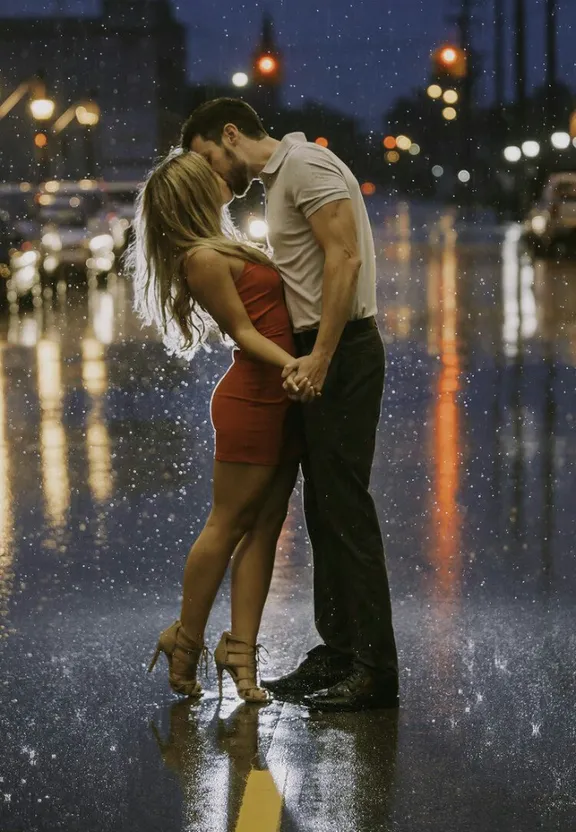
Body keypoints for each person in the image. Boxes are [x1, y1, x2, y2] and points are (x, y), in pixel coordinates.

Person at [181, 98, 399, 712]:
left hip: (340, 351)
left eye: (207, 157)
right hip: (312, 352)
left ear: (229, 134)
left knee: (345, 509)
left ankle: (376, 670)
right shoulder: (280, 184)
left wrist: (322, 357)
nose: (211, 175)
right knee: (324, 509)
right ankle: (338, 650)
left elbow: (345, 257)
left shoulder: (305, 166)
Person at [129, 148, 316, 704]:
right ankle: (184, 641)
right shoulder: (202, 257)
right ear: (191, 191)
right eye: (208, 174)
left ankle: (240, 652)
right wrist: (295, 365)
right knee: (228, 523)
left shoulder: (227, 243)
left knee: (264, 527)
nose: (222, 175)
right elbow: (242, 332)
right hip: (254, 397)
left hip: (282, 394)